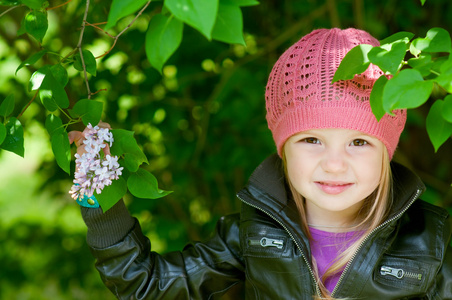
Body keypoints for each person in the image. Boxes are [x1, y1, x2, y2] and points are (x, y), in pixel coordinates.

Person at [71, 28, 452, 299]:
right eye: (311, 140)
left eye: (358, 142)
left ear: (387, 151)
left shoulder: (431, 245)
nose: (334, 165)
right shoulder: (253, 236)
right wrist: (99, 197)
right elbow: (144, 286)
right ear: (282, 150)